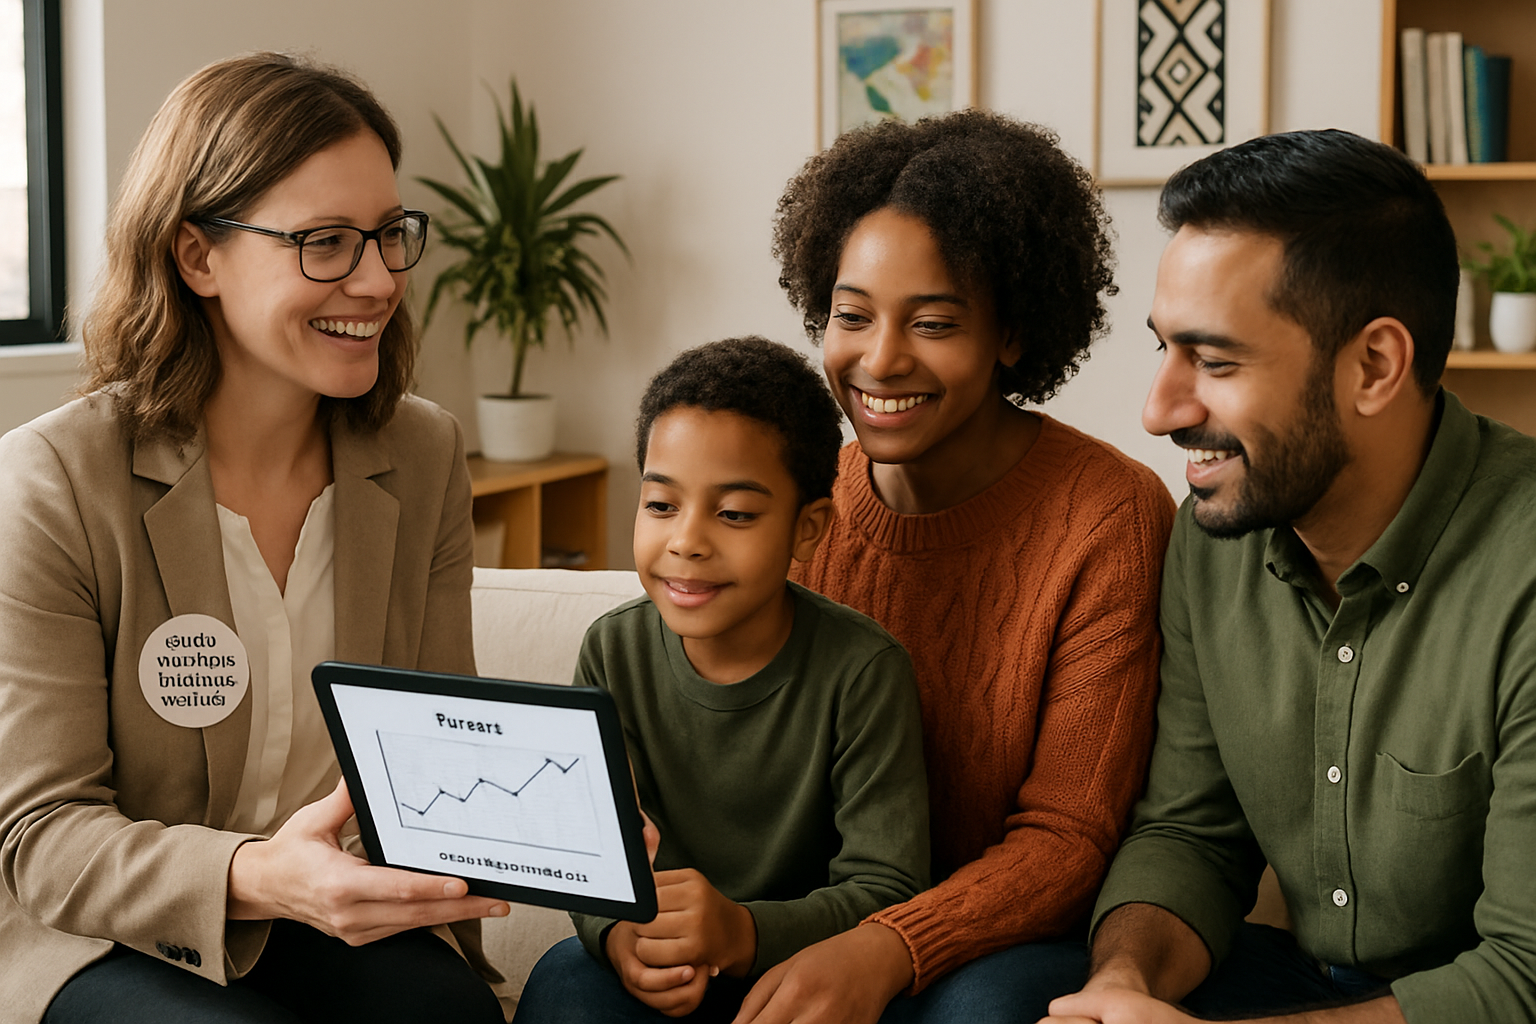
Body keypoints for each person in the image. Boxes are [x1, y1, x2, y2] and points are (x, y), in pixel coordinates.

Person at [0, 53, 509, 1024]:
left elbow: (443, 748)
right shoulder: (53, 479)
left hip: (324, 914)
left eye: (387, 235)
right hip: (99, 927)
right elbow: (43, 833)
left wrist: (565, 830)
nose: (375, 280)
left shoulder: (424, 451)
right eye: (323, 242)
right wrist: (258, 872)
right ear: (198, 257)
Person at [1043, 129, 1536, 1024]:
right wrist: (1121, 988)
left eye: (1217, 361)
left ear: (1374, 366)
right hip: (1293, 980)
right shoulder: (1213, 539)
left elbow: (1525, 976)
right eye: (1165, 349)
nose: (1159, 409)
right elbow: (1189, 834)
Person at [737, 111, 1177, 1024]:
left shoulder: (1111, 518)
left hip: (1005, 939)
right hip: (808, 914)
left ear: (1011, 334)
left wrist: (892, 947)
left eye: (933, 322)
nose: (880, 359)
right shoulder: (799, 491)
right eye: (850, 316)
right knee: (571, 988)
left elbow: (1068, 837)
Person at [513, 337, 930, 1024]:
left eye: (734, 513)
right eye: (661, 505)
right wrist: (619, 940)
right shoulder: (613, 650)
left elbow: (886, 886)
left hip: (804, 970)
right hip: (663, 968)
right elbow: (593, 854)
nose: (687, 541)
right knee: (564, 980)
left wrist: (741, 933)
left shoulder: (863, 670)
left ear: (808, 528)